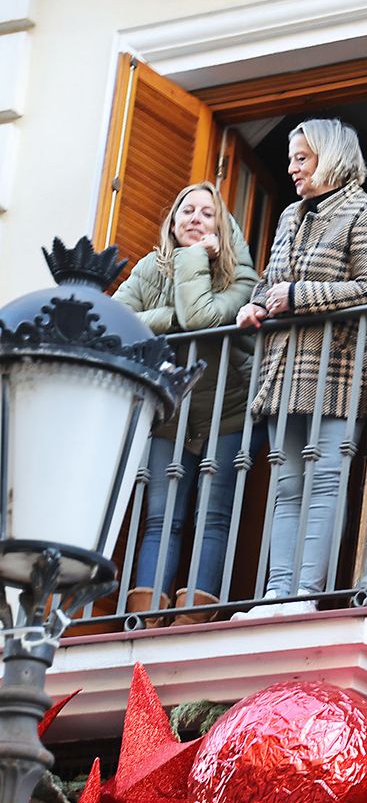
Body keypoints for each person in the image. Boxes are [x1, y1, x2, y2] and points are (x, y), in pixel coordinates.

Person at [233, 118, 367, 618]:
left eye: (301, 158)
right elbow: (270, 282)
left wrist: (298, 296)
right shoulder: (289, 216)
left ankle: (304, 596)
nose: (292, 168)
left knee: (325, 481)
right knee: (286, 485)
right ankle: (277, 594)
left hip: (336, 367)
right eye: (291, 160)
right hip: (283, 369)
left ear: (331, 157)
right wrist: (254, 304)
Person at [114, 181, 259, 625]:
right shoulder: (149, 269)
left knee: (212, 517)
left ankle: (192, 619)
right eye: (187, 210)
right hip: (168, 415)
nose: (195, 218)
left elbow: (200, 317)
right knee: (161, 519)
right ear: (172, 220)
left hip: (227, 414)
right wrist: (171, 316)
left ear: (223, 228)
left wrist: (192, 260)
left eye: (207, 213)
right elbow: (115, 323)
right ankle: (147, 618)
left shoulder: (242, 277)